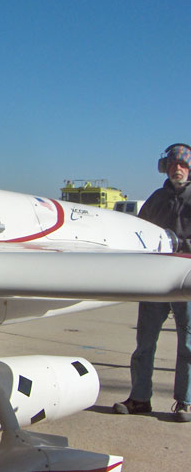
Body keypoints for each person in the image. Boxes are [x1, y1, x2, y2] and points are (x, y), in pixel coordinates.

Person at [113, 143, 191, 423]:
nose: (177, 170)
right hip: (154, 280)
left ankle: (185, 403)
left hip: (186, 280)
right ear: (166, 168)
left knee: (189, 345)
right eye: (172, 166)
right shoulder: (156, 198)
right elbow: (139, 232)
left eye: (182, 165)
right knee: (144, 342)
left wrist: (179, 243)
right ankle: (139, 398)